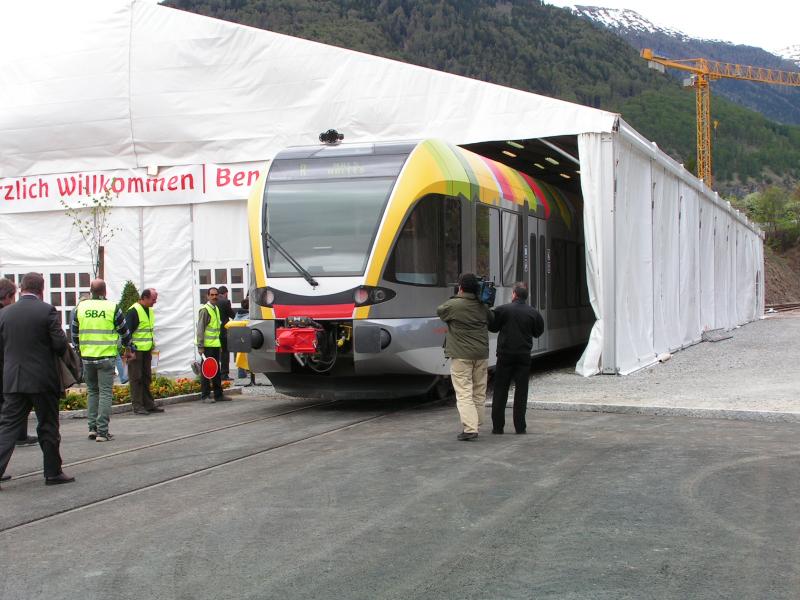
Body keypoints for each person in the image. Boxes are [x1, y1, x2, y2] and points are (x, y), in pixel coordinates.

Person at [0, 272, 74, 488]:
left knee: (8, 427)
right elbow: (60, 345)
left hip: (13, 379)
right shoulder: (46, 311)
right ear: (42, 290)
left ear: (21, 288)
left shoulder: (5, 314)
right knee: (48, 425)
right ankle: (52, 472)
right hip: (42, 379)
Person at [72, 279, 133, 442]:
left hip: (87, 357)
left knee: (92, 391)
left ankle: (92, 428)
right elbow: (124, 331)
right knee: (105, 392)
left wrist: (79, 350)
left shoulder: (81, 307)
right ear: (105, 292)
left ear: (90, 291)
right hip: (106, 357)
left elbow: (74, 333)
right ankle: (102, 431)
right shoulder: (112, 307)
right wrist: (129, 348)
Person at [436, 273, 493, 441]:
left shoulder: (453, 305)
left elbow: (440, 311)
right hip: (481, 354)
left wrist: (458, 295)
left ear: (460, 287)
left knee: (464, 392)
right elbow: (492, 319)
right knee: (479, 390)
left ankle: (470, 428)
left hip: (461, 356)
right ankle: (477, 421)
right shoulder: (483, 306)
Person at [489, 282, 544, 434]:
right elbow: (538, 332)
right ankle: (520, 427)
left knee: (500, 390)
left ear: (513, 294)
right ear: (526, 297)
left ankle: (498, 427)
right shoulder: (533, 312)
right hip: (523, 356)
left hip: (504, 355)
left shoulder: (503, 310)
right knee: (521, 391)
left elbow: (492, 327)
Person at [0, 277, 37, 451]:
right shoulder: (5, 313)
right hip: (7, 366)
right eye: (13, 297)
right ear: (7, 296)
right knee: (9, 410)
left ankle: (20, 435)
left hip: (8, 367)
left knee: (14, 405)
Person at [125, 288, 163, 415]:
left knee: (146, 377)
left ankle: (149, 404)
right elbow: (127, 333)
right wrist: (130, 350)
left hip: (146, 350)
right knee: (136, 378)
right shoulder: (133, 311)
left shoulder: (149, 310)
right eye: (153, 299)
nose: (155, 302)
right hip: (136, 351)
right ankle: (138, 405)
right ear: (145, 298)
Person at [196, 287, 224, 403]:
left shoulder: (215, 309)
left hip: (215, 345)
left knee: (216, 370)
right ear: (207, 296)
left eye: (216, 294)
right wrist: (200, 346)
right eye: (212, 295)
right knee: (206, 371)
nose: (214, 297)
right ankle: (205, 395)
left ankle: (219, 395)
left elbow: (216, 330)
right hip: (207, 347)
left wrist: (220, 345)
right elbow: (200, 329)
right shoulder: (205, 310)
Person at [217, 286, 236, 381]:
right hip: (224, 331)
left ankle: (215, 373)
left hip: (214, 332)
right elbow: (232, 315)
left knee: (214, 352)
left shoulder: (213, 301)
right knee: (225, 352)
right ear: (226, 293)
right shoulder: (225, 302)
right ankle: (224, 374)